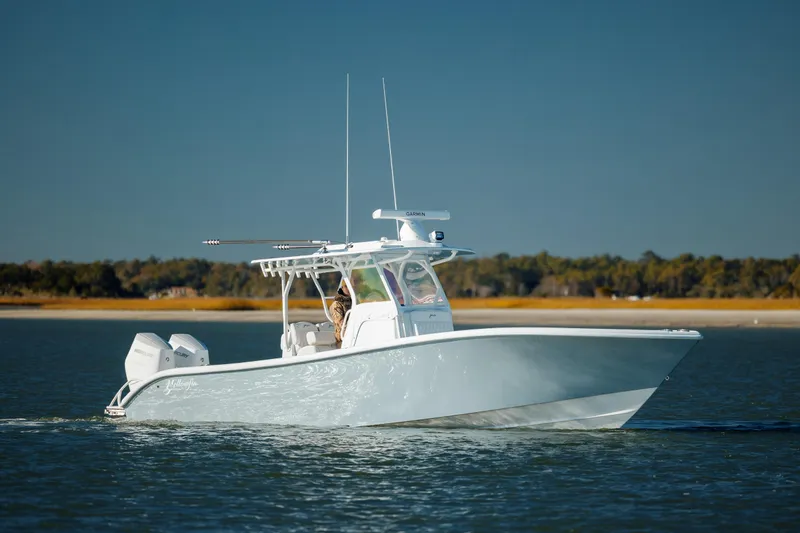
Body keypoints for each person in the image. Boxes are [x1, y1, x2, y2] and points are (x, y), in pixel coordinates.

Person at [330, 278, 352, 347]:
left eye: (350, 286)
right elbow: (340, 323)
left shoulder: (354, 301)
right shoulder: (336, 304)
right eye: (346, 286)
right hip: (342, 339)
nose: (348, 288)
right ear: (342, 288)